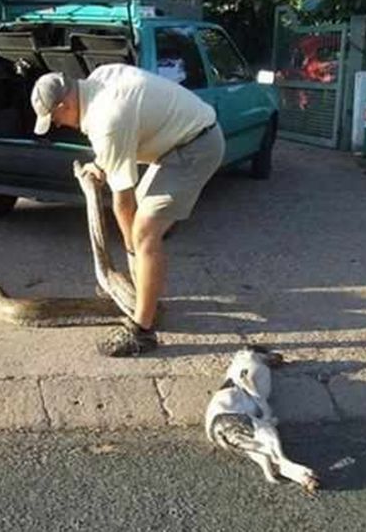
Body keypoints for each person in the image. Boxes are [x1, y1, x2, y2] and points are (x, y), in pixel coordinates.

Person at [31, 64, 225, 357]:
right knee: (142, 231)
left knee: (144, 232)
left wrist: (131, 250)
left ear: (65, 104)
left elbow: (123, 201)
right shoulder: (98, 80)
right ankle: (145, 293)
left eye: (55, 118)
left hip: (196, 146)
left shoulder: (106, 119)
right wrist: (101, 164)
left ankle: (142, 331)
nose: (57, 124)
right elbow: (122, 137)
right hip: (173, 145)